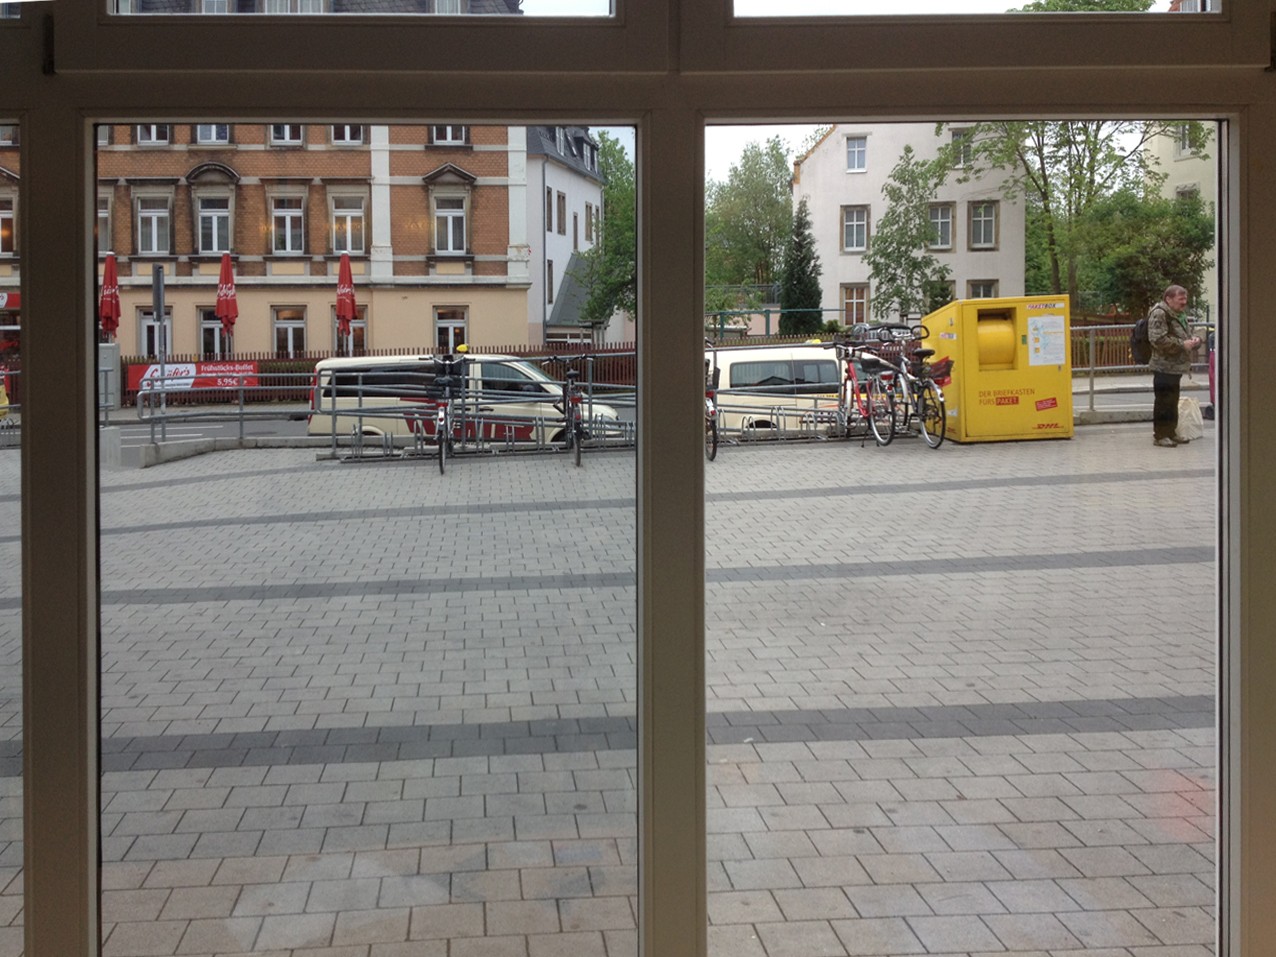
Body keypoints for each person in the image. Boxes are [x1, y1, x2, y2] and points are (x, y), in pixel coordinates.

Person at [1146, 284, 1202, 447]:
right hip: (1163, 365)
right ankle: (1160, 435)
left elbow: (1187, 334)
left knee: (1172, 400)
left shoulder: (1179, 314)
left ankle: (1171, 432)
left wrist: (1195, 341)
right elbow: (1157, 339)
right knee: (1163, 401)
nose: (1184, 302)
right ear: (1168, 299)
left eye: (1185, 299)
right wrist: (1181, 344)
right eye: (1180, 299)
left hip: (1176, 366)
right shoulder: (1159, 313)